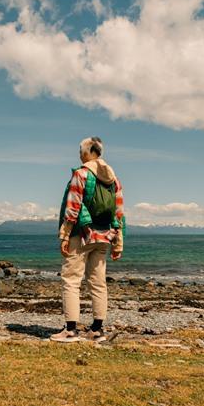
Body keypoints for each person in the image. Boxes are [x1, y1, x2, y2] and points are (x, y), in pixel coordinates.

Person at [51, 136, 125, 343]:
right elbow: (119, 213)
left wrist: (65, 235)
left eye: (80, 149)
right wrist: (118, 242)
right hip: (104, 236)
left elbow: (73, 206)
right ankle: (97, 330)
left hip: (81, 234)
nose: (79, 153)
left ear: (88, 152)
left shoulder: (81, 174)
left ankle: (71, 330)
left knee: (71, 280)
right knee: (98, 282)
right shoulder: (114, 180)